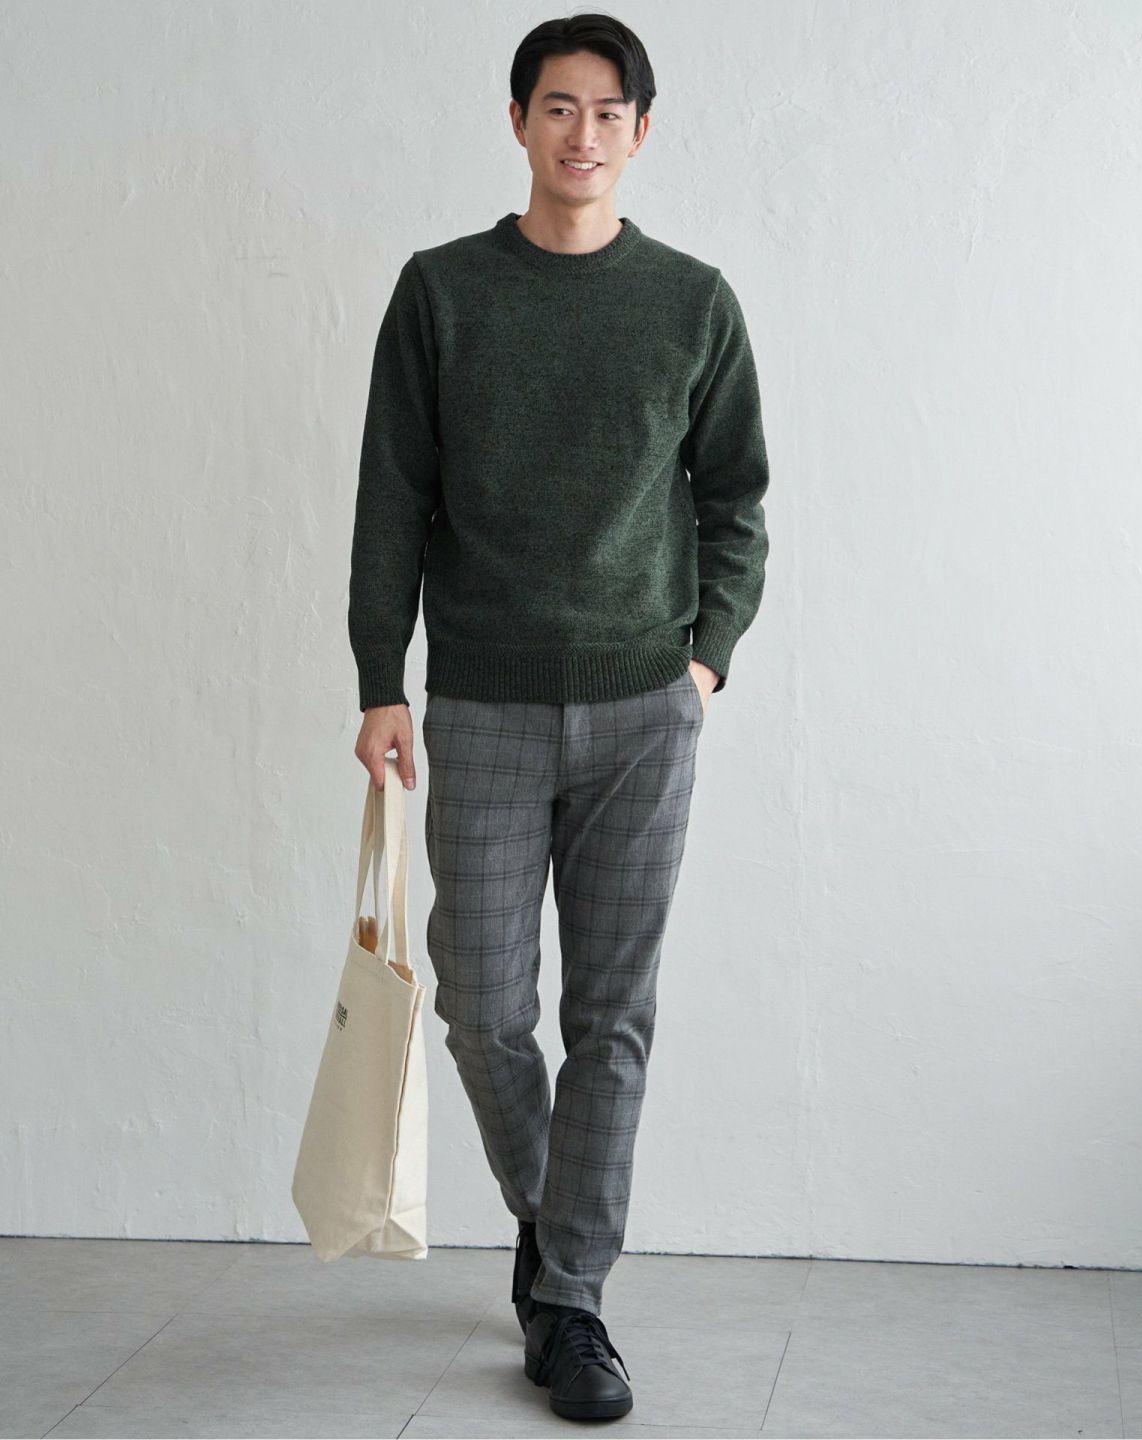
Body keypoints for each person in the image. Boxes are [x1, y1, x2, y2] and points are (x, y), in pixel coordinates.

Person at [348, 12, 769, 1423]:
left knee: (612, 1017)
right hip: (481, 702)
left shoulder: (694, 302)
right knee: (481, 1006)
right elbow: (392, 494)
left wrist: (703, 664)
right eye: (556, 107)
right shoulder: (443, 292)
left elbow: (737, 501)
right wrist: (380, 676)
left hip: (645, 710)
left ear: (640, 132)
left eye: (606, 112)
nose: (581, 133)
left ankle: (572, 1301)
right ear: (519, 121)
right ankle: (551, 1221)